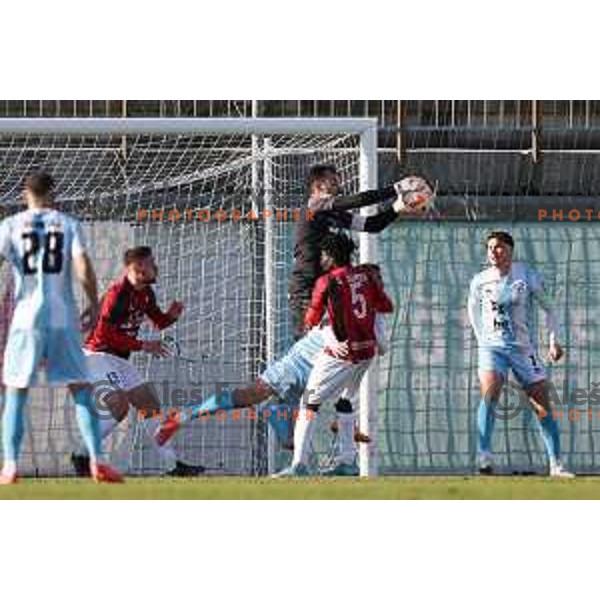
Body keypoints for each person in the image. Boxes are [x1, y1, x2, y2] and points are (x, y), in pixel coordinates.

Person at [0, 171, 122, 483]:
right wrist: (95, 304)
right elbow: (83, 266)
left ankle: (10, 466)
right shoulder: (67, 224)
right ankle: (96, 460)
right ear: (53, 193)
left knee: (16, 391)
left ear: (25, 193)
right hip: (62, 318)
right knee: (80, 389)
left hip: (25, 320)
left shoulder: (10, 226)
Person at [70, 245, 205, 477]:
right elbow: (103, 335)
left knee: (149, 404)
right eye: (145, 266)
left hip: (118, 358)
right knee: (119, 405)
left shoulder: (145, 293)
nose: (151, 269)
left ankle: (172, 466)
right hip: (97, 356)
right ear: (134, 269)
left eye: (151, 264)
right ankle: (83, 454)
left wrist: (170, 316)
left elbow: (158, 321)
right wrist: (144, 345)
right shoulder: (117, 294)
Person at [274, 232, 393, 477]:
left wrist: (318, 323)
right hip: (365, 351)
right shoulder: (367, 276)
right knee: (344, 401)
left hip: (341, 352)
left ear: (331, 255)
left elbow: (311, 320)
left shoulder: (327, 281)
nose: (321, 259)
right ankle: (348, 461)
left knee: (309, 402)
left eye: (324, 255)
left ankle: (299, 465)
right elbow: (386, 306)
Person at [467, 230, 573, 478]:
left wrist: (554, 341)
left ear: (511, 250)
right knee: (491, 392)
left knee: (542, 404)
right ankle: (484, 456)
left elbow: (550, 308)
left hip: (523, 349)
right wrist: (483, 339)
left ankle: (556, 465)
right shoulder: (480, 280)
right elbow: (472, 311)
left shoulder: (526, 276)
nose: (494, 252)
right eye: (490, 248)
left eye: (499, 247)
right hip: (492, 347)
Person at [289, 164, 432, 339]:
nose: (338, 186)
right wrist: (398, 187)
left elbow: (372, 225)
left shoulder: (335, 214)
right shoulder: (314, 205)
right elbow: (359, 200)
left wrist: (397, 207)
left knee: (339, 349)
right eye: (333, 182)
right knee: (313, 353)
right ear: (318, 187)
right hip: (306, 293)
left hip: (328, 290)